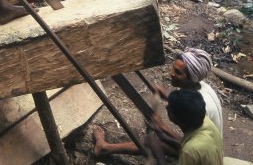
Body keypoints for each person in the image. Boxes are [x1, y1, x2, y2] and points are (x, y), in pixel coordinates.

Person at [93, 47, 222, 156]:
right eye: (173, 68)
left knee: (155, 143)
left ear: (191, 78)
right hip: (203, 142)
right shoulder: (201, 87)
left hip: (204, 154)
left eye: (178, 72)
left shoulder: (203, 108)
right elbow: (186, 106)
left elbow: (191, 144)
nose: (171, 73)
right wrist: (166, 97)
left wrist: (163, 127)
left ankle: (104, 148)